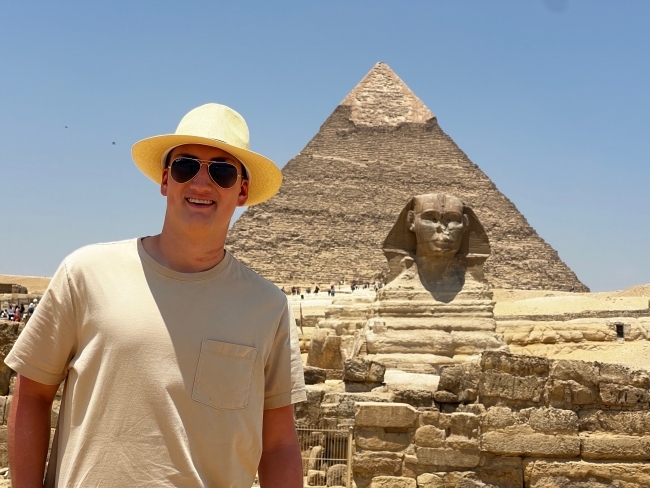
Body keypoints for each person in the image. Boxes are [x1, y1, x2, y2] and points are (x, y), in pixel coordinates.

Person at [6, 103, 306, 487]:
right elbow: (31, 394)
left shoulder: (267, 307)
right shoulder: (85, 273)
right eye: (185, 166)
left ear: (243, 190)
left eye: (222, 170)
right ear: (165, 180)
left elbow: (279, 443)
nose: (201, 183)